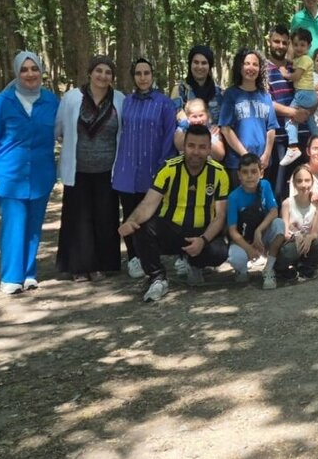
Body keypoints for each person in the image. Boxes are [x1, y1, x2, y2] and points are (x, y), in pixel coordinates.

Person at [117, 124, 230, 302]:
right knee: (141, 228)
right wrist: (131, 221)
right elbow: (148, 204)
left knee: (220, 252)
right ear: (183, 147)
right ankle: (157, 278)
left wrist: (203, 240)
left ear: (209, 149)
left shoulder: (219, 174)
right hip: (172, 231)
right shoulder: (169, 169)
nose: (196, 152)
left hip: (201, 232)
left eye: (202, 147)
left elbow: (220, 216)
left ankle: (194, 264)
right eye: (191, 146)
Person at [0, 51, 59, 294]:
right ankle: (11, 277)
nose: (30, 74)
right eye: (24, 70)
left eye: (34, 69)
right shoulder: (3, 101)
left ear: (41, 72)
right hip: (8, 175)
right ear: (17, 73)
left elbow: (65, 131)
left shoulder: (52, 101)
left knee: (34, 225)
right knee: (14, 224)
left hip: (40, 175)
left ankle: (28, 273)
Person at [56, 55, 124, 282]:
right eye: (99, 71)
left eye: (108, 72)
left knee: (105, 218)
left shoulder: (120, 100)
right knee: (78, 219)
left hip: (107, 170)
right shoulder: (72, 98)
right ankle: (78, 267)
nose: (103, 76)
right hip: (78, 169)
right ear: (90, 73)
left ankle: (101, 265)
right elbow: (59, 127)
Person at [112, 57, 178, 279]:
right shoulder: (126, 102)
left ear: (152, 75)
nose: (142, 78)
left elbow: (169, 135)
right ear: (133, 77)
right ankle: (133, 258)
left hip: (153, 169)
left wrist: (163, 167)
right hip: (127, 170)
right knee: (129, 215)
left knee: (149, 217)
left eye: (146, 73)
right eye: (138, 74)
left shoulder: (164, 103)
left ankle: (151, 258)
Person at [219, 49, 278, 186]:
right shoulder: (231, 94)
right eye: (247, 63)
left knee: (262, 204)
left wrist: (267, 155)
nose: (251, 68)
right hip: (238, 163)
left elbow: (271, 128)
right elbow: (226, 129)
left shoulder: (265, 96)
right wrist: (246, 156)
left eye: (255, 64)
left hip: (263, 163)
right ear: (240, 67)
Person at [226, 153, 286, 289]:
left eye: (254, 171)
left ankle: (268, 269)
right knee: (236, 258)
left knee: (279, 224)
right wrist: (248, 248)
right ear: (239, 175)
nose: (249, 176)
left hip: (262, 236)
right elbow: (232, 231)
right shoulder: (233, 197)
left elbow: (274, 211)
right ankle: (241, 270)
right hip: (244, 239)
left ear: (261, 173)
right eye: (245, 172)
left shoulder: (265, 186)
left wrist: (259, 230)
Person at [265, 24, 308, 202]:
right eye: (276, 41)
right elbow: (265, 101)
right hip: (280, 138)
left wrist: (308, 110)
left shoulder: (295, 68)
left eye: (284, 42)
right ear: (269, 42)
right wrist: (292, 112)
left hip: (303, 133)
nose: (280, 46)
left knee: (303, 186)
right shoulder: (262, 69)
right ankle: (279, 226)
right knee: (279, 188)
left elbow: (308, 91)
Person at [281, 165, 318, 279]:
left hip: (307, 245)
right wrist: (297, 236)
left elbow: (315, 232)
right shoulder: (287, 203)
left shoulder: (316, 204)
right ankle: (281, 269)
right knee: (289, 250)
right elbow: (285, 232)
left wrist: (309, 238)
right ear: (294, 184)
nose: (304, 185)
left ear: (312, 182)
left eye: (307, 180)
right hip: (293, 243)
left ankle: (306, 266)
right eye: (299, 181)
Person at [279, 28, 317, 165]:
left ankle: (293, 146)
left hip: (303, 93)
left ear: (309, 46)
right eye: (295, 44)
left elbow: (296, 76)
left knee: (290, 117)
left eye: (302, 45)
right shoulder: (300, 59)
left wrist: (284, 73)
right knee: (310, 118)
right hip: (309, 94)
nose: (299, 48)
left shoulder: (305, 59)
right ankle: (317, 139)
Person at [171, 45, 223, 123]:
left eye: (204, 63)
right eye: (196, 62)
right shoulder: (180, 90)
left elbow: (225, 122)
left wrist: (219, 128)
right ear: (190, 64)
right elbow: (174, 118)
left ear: (209, 66)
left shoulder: (219, 93)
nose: (199, 66)